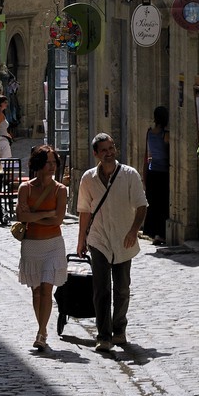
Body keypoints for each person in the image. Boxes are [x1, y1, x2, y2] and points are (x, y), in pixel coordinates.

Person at [76, 134, 147, 353]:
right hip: (99, 239)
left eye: (112, 148)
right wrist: (81, 241)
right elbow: (85, 212)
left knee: (122, 288)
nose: (109, 152)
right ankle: (103, 335)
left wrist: (134, 231)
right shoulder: (88, 179)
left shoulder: (129, 175)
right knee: (101, 289)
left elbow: (142, 205)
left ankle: (119, 329)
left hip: (123, 239)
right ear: (96, 154)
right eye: (104, 150)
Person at [16, 144, 68, 350]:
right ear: (38, 164)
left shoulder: (60, 190)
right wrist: (46, 214)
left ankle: (42, 332)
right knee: (36, 292)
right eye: (48, 163)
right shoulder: (25, 188)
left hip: (53, 244)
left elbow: (59, 220)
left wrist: (34, 217)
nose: (52, 166)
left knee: (47, 289)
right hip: (31, 245)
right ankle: (42, 328)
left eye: (54, 162)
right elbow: (21, 216)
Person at [143, 105, 170, 243]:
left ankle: (153, 233)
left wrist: (144, 175)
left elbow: (147, 154)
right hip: (163, 172)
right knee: (162, 204)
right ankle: (161, 233)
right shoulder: (165, 134)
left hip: (152, 171)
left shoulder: (149, 132)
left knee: (153, 204)